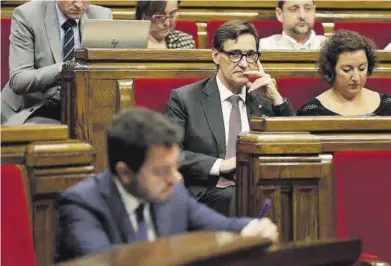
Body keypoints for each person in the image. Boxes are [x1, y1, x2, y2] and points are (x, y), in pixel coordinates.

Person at [55, 108, 279, 262]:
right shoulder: (81, 204)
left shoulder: (174, 193)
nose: (174, 178)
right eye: (161, 171)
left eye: (174, 167)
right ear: (125, 173)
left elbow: (221, 225)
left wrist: (252, 228)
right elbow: (106, 262)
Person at [165, 20, 295, 217]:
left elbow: (296, 144)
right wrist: (220, 165)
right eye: (235, 54)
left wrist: (277, 98)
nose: (244, 63)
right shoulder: (186, 99)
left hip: (261, 189)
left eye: (251, 55)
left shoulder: (264, 100)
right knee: (240, 198)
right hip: (208, 193)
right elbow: (170, 152)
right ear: (216, 55)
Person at [0, 0, 112, 125]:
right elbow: (18, 80)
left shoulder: (101, 16)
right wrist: (66, 68)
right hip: (34, 109)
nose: (79, 5)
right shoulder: (28, 15)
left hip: (81, 108)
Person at [297, 30, 391, 116]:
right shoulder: (312, 112)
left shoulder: (387, 104)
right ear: (331, 69)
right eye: (347, 70)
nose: (356, 78)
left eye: (362, 68)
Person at [259, 0, 326, 50]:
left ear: (314, 11)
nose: (302, 16)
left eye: (308, 9)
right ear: (280, 14)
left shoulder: (331, 47)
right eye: (294, 9)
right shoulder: (263, 47)